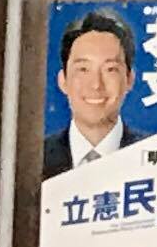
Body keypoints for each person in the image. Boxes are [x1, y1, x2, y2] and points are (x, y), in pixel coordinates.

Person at [44, 10, 135, 179]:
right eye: (83, 69)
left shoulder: (153, 153)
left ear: (129, 79)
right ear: (62, 80)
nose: (96, 85)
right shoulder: (36, 157)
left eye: (110, 69)